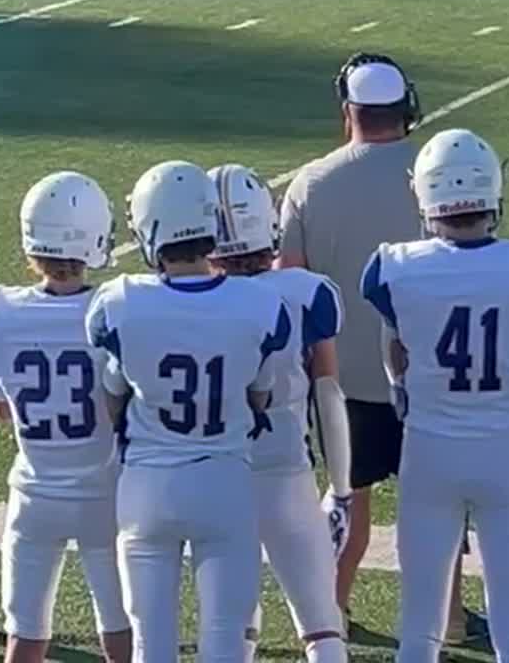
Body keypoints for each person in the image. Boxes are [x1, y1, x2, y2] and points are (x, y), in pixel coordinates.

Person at [278, 56, 483, 644]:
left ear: (349, 113)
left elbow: (290, 282)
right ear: (407, 111)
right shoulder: (442, 172)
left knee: (347, 502)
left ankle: (328, 612)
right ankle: (449, 616)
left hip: (342, 376)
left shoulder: (312, 182)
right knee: (441, 510)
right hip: (428, 373)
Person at [363, 129, 509, 663]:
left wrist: (403, 389)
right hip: (508, 449)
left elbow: (397, 351)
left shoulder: (394, 266)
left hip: (431, 449)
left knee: (420, 625)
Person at [86, 161, 290, 663]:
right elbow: (260, 396)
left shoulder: (121, 300)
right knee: (223, 639)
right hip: (225, 482)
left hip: (148, 488)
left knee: (150, 646)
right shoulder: (259, 304)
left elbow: (112, 397)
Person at [0, 173, 131, 663]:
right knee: (120, 629)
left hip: (33, 496)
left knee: (26, 635)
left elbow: (0, 407)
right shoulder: (115, 307)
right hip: (105, 494)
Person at [209, 165, 349, 663]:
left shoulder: (179, 303)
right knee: (321, 623)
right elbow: (328, 391)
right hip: (288, 468)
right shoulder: (305, 291)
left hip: (219, 474)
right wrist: (343, 488)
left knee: (233, 623)